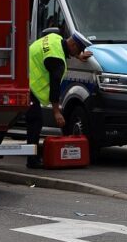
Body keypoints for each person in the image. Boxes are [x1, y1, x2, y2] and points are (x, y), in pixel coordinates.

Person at [26, 32, 93, 168]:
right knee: (35, 121)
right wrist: (56, 112)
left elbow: (65, 49)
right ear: (73, 44)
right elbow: (55, 87)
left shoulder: (55, 38)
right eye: (79, 50)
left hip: (22, 74)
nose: (79, 52)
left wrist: (78, 56)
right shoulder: (57, 61)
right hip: (30, 86)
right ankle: (32, 161)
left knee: (12, 114)